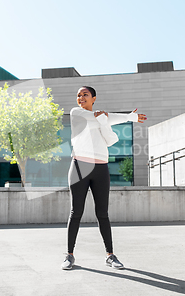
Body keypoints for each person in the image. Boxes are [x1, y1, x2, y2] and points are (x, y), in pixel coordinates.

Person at [61, 86, 147, 270]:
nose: (81, 97)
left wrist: (104, 121)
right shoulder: (76, 113)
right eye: (78, 95)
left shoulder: (101, 119)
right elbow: (96, 120)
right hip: (79, 167)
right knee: (76, 212)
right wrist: (127, 117)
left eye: (85, 95)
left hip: (100, 168)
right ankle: (69, 255)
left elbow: (111, 139)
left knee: (103, 214)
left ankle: (110, 255)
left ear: (94, 98)